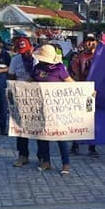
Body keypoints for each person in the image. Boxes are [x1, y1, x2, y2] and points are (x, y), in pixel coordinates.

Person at [31, 44, 73, 175]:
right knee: (42, 136)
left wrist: (88, 91)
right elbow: (30, 81)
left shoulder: (59, 68)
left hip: (56, 108)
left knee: (60, 136)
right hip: (40, 107)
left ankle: (65, 164)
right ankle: (46, 162)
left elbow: (70, 82)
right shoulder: (37, 68)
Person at [69, 33, 99, 156]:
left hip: (95, 93)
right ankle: (75, 145)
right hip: (82, 92)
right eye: (87, 41)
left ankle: (92, 147)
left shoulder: (100, 58)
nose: (90, 43)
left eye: (92, 41)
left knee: (93, 120)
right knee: (79, 119)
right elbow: (73, 74)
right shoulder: (78, 58)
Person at [8, 37, 36, 167]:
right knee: (21, 129)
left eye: (27, 51)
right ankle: (23, 155)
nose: (25, 54)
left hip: (37, 98)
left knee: (39, 128)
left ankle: (43, 157)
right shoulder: (15, 60)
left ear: (32, 48)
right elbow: (11, 77)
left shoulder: (38, 59)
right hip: (21, 98)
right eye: (22, 51)